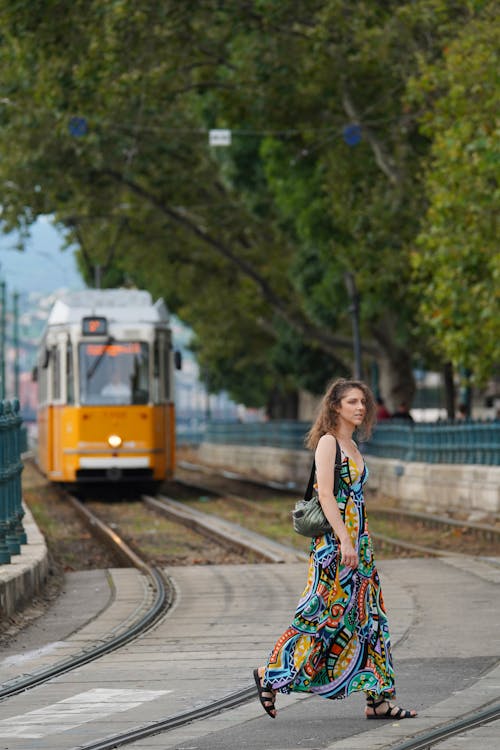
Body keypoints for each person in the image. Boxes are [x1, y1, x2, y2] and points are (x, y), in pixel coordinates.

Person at [253, 378, 417, 721]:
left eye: (363, 402)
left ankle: (379, 700)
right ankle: (268, 675)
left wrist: (358, 543)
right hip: (334, 548)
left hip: (360, 547)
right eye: (352, 402)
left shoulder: (353, 445)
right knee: (320, 617)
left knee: (370, 620)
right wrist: (344, 539)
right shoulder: (329, 443)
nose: (360, 408)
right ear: (335, 407)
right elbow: (326, 495)